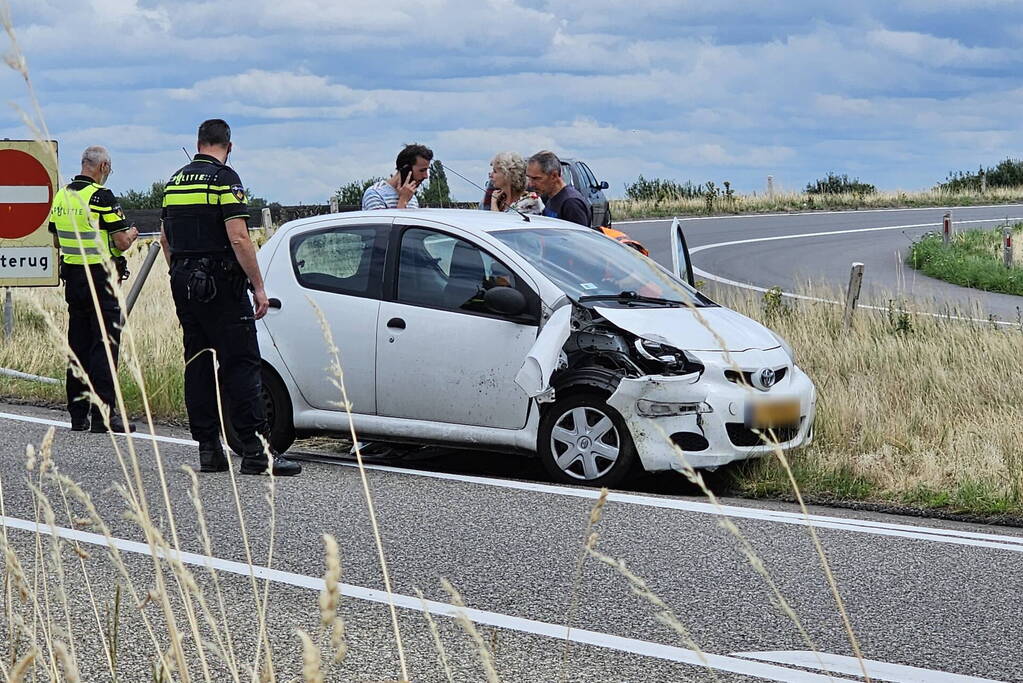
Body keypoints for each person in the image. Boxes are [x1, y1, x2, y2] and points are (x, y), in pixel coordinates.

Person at [160, 119, 300, 476]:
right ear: (229, 146)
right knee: (240, 364)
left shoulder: (173, 182)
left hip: (184, 283)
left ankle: (209, 449)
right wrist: (258, 286)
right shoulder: (225, 179)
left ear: (198, 142)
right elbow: (238, 237)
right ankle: (256, 450)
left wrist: (180, 274)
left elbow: (165, 240)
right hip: (222, 285)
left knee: (199, 363)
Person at [49, 146, 139, 433]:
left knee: (78, 344)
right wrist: (132, 234)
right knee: (105, 345)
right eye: (109, 169)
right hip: (100, 277)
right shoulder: (101, 196)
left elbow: (55, 239)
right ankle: (104, 416)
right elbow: (122, 241)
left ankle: (78, 414)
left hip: (73, 277)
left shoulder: (63, 195)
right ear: (102, 167)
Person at [526, 151, 592, 227]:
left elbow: (579, 237)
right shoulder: (550, 197)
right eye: (529, 178)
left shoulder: (571, 203)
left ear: (554, 176)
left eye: (536, 179)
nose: (530, 184)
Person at [362, 144, 433, 210]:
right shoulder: (375, 194)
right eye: (422, 170)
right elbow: (382, 223)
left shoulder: (411, 197)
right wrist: (403, 202)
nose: (426, 176)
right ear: (406, 169)